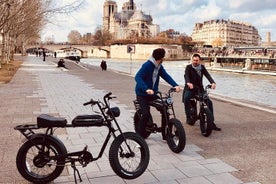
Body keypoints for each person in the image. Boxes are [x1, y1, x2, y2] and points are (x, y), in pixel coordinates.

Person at [135, 48, 181, 138]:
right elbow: (137, 77)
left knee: (164, 109)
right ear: (161, 58)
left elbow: (166, 76)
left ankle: (165, 134)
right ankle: (139, 136)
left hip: (152, 94)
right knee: (145, 114)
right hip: (142, 95)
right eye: (163, 57)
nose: (164, 59)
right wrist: (146, 89)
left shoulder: (159, 66)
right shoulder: (147, 65)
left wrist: (175, 85)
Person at [182, 53, 221, 131]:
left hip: (200, 89)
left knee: (209, 102)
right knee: (186, 98)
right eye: (194, 60)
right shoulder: (188, 67)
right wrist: (188, 83)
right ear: (192, 60)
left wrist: (213, 82)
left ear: (199, 61)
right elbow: (186, 76)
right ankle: (188, 116)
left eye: (197, 60)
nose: (195, 62)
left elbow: (207, 75)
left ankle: (211, 122)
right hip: (190, 88)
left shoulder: (202, 67)